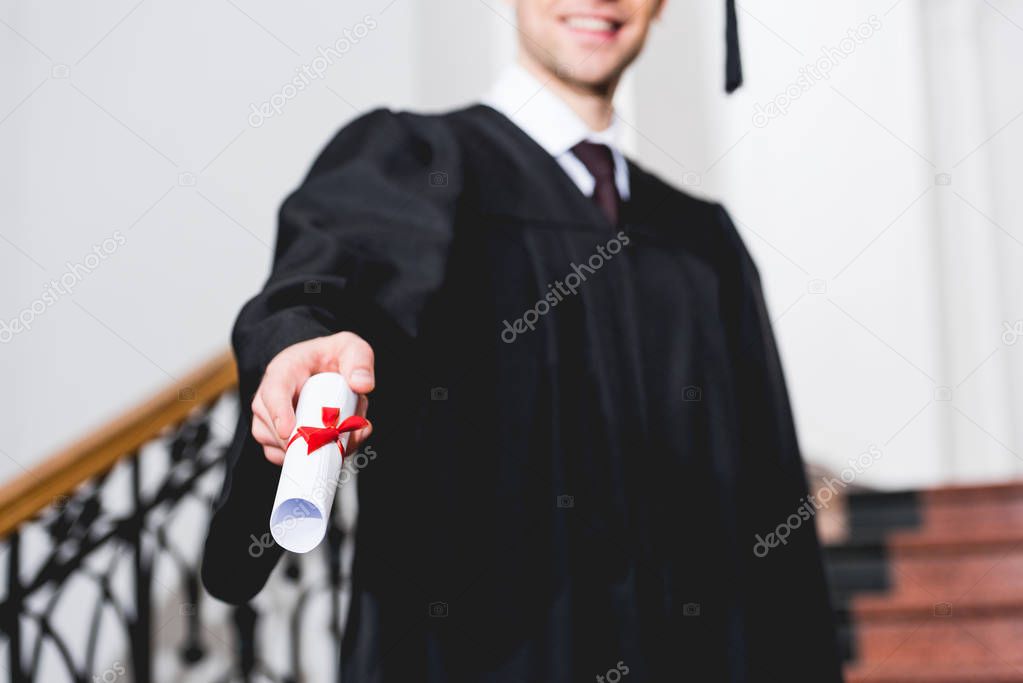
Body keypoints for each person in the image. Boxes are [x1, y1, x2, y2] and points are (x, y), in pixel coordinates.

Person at [202, 0, 844, 680]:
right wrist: (302, 340)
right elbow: (328, 285)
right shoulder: (416, 166)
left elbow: (773, 519)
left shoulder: (701, 243)